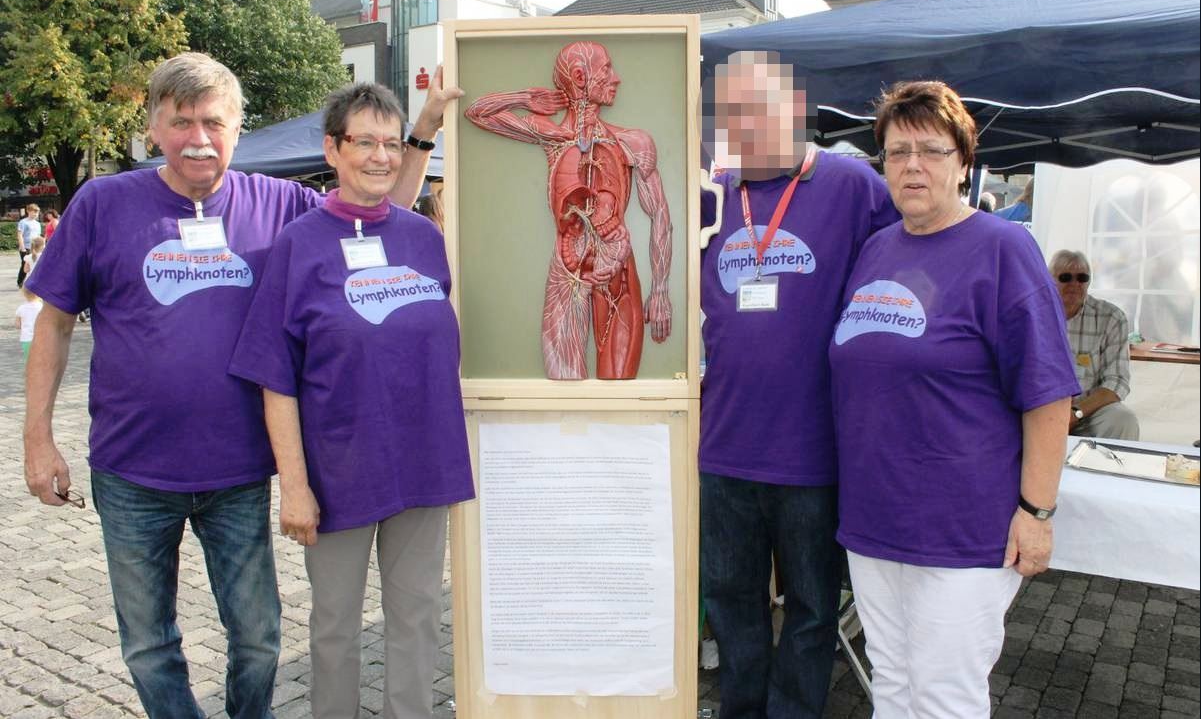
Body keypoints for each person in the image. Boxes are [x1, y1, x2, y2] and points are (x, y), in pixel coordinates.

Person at [23, 52, 459, 719]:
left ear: (236, 129)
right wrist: (37, 439)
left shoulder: (277, 203)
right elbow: (53, 321)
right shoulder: (103, 203)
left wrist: (422, 131)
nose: (199, 138)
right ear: (153, 128)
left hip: (238, 470)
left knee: (258, 639)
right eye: (182, 122)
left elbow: (376, 205)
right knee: (148, 644)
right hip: (132, 468)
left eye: (214, 123)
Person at [828, 81, 1078, 718]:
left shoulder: (1003, 249)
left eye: (932, 151)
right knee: (891, 684)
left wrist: (1037, 513)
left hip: (962, 529)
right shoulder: (876, 249)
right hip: (874, 520)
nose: (912, 166)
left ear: (964, 162)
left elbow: (1049, 395)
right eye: (897, 151)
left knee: (944, 698)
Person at [230, 82, 474, 719]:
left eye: (390, 144)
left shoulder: (422, 237)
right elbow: (275, 376)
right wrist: (294, 486)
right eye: (364, 142)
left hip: (423, 463)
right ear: (332, 149)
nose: (380, 156)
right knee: (335, 627)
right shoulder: (299, 243)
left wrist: (427, 124)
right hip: (339, 470)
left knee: (418, 617)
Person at [699, 50, 898, 719]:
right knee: (732, 603)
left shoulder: (852, 185)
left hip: (815, 452)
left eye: (756, 109)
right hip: (723, 448)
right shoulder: (712, 194)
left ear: (792, 110)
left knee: (812, 608)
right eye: (729, 113)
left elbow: (907, 260)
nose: (741, 125)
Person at [465, 40, 672, 380]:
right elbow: (476, 112)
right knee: (565, 387)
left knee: (620, 388)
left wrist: (660, 289)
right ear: (579, 77)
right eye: (606, 69)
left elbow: (660, 214)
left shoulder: (632, 143)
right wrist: (525, 98)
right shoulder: (553, 135)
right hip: (567, 269)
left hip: (617, 268)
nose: (616, 78)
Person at [1050, 249, 1140, 440]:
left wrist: (1076, 412)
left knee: (1124, 420)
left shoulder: (1111, 317)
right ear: (1049, 280)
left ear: (1089, 281)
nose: (1075, 284)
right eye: (1066, 277)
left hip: (1088, 411)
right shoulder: (1029, 314)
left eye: (1082, 278)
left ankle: (1113, 462)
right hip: (1040, 409)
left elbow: (1117, 381)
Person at [15, 202, 40, 287]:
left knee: (36, 264)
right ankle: (20, 282)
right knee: (25, 264)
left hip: (36, 247)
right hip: (26, 247)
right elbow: (19, 235)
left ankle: (33, 282)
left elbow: (38, 236)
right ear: (28, 211)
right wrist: (22, 247)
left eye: (37, 212)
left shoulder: (37, 224)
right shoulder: (23, 222)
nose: (36, 214)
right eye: (34, 212)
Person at [15, 286, 42, 361]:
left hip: (26, 339)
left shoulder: (21, 308)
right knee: (41, 360)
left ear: (24, 294)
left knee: (29, 360)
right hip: (41, 338)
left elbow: (17, 325)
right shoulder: (42, 307)